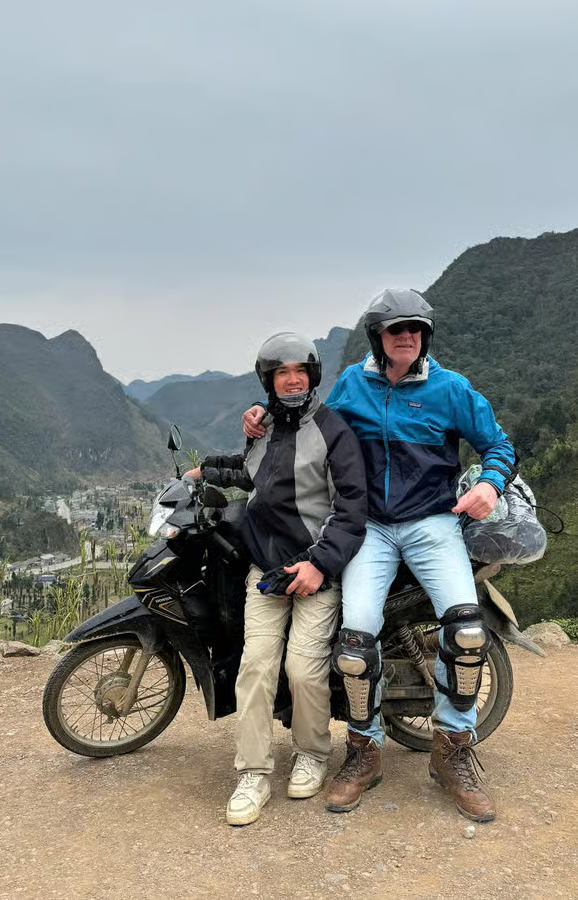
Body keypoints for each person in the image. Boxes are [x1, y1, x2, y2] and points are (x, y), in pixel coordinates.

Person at [241, 289, 517, 822]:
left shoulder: (450, 388)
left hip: (433, 522)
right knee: (355, 640)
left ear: (426, 335)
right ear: (378, 337)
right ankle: (364, 751)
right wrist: (260, 417)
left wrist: (491, 483)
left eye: (415, 328)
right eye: (396, 330)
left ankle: (452, 750)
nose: (407, 337)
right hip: (370, 527)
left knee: (466, 630)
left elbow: (499, 445)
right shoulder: (352, 385)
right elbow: (306, 421)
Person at [186, 332, 367, 826]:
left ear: (312, 377)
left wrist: (319, 564)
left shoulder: (334, 431)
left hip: (315, 573)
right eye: (281, 373)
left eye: (300, 372)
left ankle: (311, 752)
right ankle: (253, 772)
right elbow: (253, 475)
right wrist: (202, 472)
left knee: (303, 670)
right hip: (266, 571)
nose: (292, 380)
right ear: (269, 382)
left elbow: (351, 509)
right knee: (255, 668)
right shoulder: (263, 428)